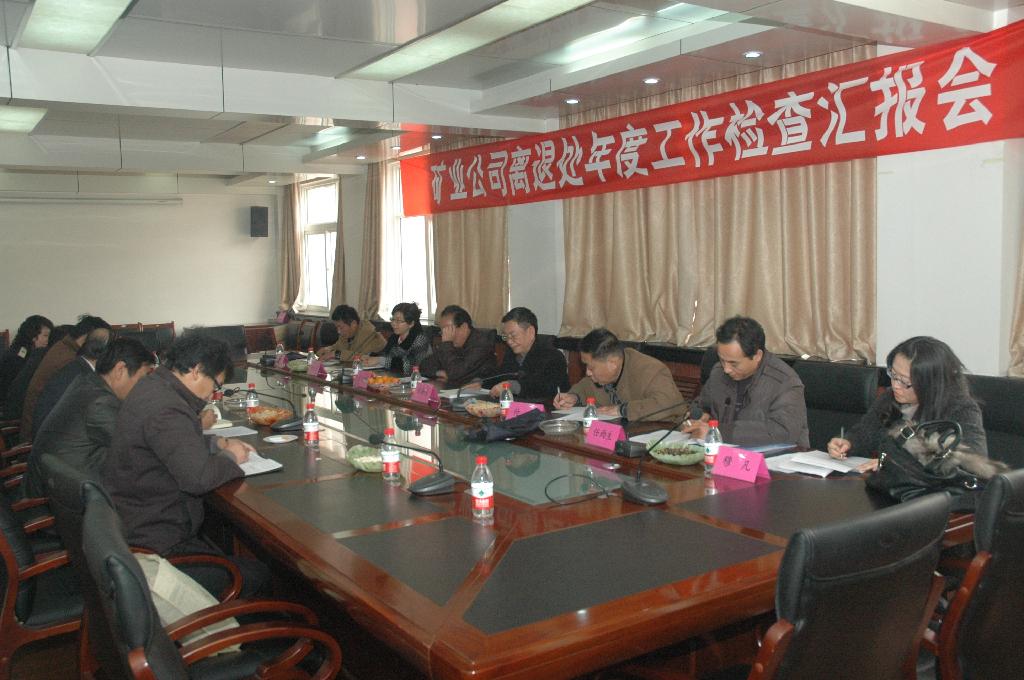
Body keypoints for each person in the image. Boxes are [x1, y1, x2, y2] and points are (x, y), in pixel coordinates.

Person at [104, 334, 266, 597]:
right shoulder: (167, 407)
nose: (213, 394)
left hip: (137, 526)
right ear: (196, 370)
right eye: (216, 385)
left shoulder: (154, 388)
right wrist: (231, 457)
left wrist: (215, 444)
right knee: (258, 576)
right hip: (156, 546)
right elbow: (198, 478)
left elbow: (169, 443)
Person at [828, 336, 999, 475]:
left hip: (937, 500)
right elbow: (865, 434)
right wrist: (848, 443)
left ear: (931, 383)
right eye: (893, 375)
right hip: (890, 492)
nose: (895, 385)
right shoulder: (890, 398)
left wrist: (895, 464)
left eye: (905, 381)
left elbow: (972, 464)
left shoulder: (961, 408)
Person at [26, 338, 155, 498]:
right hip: (63, 498)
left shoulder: (87, 382)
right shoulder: (99, 402)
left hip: (56, 486)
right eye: (142, 379)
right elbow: (137, 447)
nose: (143, 387)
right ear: (120, 369)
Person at [683, 316, 809, 448]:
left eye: (733, 363)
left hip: (777, 458)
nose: (726, 369)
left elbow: (783, 431)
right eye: (722, 360)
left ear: (757, 356)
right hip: (723, 453)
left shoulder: (785, 381)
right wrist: (699, 416)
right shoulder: (718, 372)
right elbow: (703, 405)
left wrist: (718, 432)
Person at [553, 328, 685, 421]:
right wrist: (573, 397)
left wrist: (622, 410)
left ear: (613, 363)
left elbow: (668, 404)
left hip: (662, 438)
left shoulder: (650, 370)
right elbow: (584, 388)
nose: (587, 372)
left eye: (591, 367)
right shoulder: (599, 376)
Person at [21, 314, 111, 439]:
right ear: (88, 338)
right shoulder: (71, 360)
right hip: (39, 435)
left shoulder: (63, 347)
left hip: (41, 426)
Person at [478, 307, 568, 402]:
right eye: (505, 336)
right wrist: (481, 382)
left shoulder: (554, 357)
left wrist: (512, 386)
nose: (509, 341)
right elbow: (500, 377)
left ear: (531, 332)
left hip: (550, 408)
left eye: (513, 335)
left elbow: (544, 388)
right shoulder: (511, 355)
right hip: (516, 407)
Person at [4, 324, 73, 421]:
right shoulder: (48, 359)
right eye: (45, 336)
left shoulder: (39, 354)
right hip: (19, 417)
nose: (46, 340)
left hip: (19, 413)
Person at [419, 305, 497, 387]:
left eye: (448, 330)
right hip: (453, 389)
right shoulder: (449, 344)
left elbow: (455, 373)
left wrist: (447, 343)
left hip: (478, 392)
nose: (444, 335)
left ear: (464, 327)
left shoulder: (481, 344)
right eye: (443, 331)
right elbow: (424, 365)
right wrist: (438, 373)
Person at [0, 315, 53, 412]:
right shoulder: (17, 358)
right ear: (33, 336)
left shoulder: (20, 351)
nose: (47, 340)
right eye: (45, 336)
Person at [374, 302, 432, 375]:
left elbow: (411, 366)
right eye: (392, 319)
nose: (393, 323)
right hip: (397, 376)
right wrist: (370, 357)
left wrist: (379, 360)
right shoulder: (394, 337)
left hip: (419, 379)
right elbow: (385, 354)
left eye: (398, 321)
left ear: (411, 324)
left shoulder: (420, 340)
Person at [318, 304, 386, 360]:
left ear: (353, 324)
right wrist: (328, 349)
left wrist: (336, 354)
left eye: (341, 327)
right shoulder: (347, 334)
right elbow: (338, 346)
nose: (338, 331)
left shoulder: (370, 334)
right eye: (337, 327)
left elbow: (363, 357)